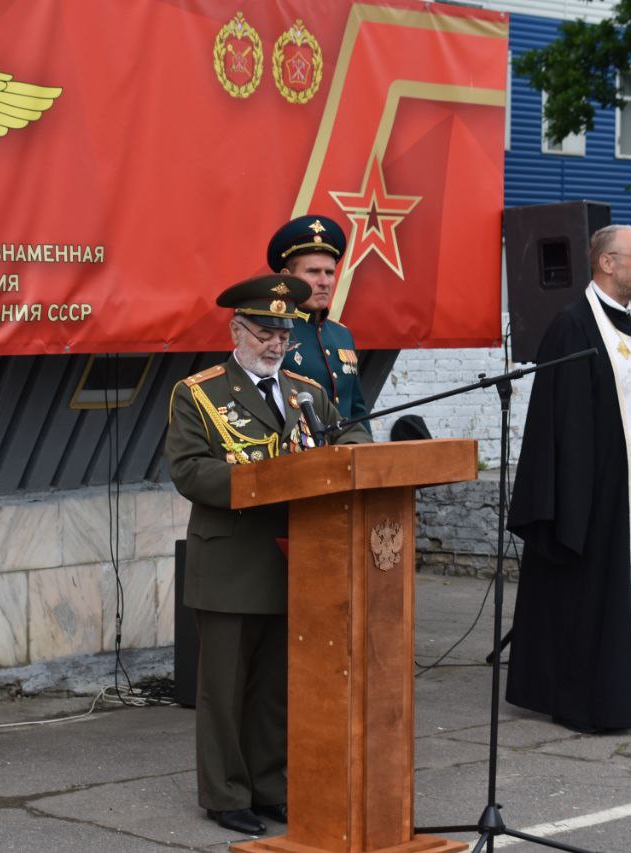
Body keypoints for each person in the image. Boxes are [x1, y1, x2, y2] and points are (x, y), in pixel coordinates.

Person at [165, 274, 370, 836]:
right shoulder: (198, 393)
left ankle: (271, 787)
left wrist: (354, 459)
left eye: (284, 333)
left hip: (296, 559)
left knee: (277, 689)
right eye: (264, 333)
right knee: (225, 690)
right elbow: (189, 470)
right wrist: (269, 482)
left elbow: (349, 441)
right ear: (236, 331)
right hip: (232, 562)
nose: (276, 344)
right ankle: (226, 795)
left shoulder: (308, 393)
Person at [506, 224, 631, 733]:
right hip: (601, 497)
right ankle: (595, 700)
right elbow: (561, 424)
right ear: (607, 263)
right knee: (596, 601)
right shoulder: (573, 324)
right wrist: (574, 504)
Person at [267, 215, 370, 433]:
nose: (324, 282)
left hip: (346, 449)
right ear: (287, 278)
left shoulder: (342, 335)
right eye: (313, 272)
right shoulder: (270, 333)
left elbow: (358, 412)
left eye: (329, 273)